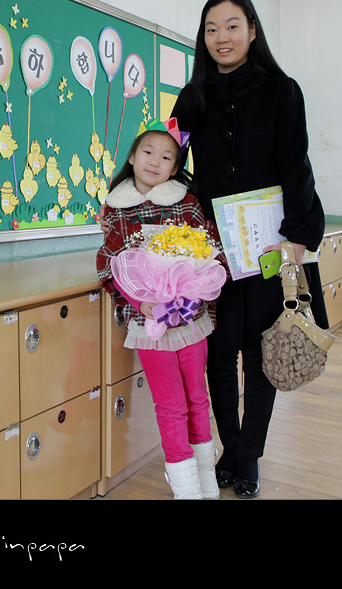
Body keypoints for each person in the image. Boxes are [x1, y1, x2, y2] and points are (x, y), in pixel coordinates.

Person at [170, 0, 328, 498]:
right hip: (214, 250)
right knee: (218, 354)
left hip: (267, 247)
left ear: (253, 30)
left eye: (232, 26)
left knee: (262, 353)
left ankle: (250, 456)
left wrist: (297, 241)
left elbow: (296, 167)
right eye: (211, 28)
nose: (222, 37)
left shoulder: (282, 91)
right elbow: (171, 163)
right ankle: (229, 448)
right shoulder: (191, 99)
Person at [96, 118, 228, 499]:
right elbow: (109, 267)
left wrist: (193, 292)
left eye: (167, 157)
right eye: (148, 152)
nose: (155, 161)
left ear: (175, 167)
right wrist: (141, 303)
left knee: (197, 398)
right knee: (170, 404)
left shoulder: (187, 203)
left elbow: (211, 250)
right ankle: (186, 486)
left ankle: (205, 478)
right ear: (132, 157)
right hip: (149, 322)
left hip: (190, 319)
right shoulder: (116, 209)